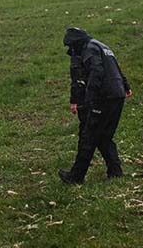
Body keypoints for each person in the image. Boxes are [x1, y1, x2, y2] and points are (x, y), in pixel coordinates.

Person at [60, 27, 132, 184]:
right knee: (104, 136)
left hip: (103, 97)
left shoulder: (88, 50)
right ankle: (115, 172)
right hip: (117, 95)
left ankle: (76, 177)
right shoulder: (102, 46)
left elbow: (96, 72)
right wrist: (125, 85)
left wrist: (88, 100)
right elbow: (115, 66)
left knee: (88, 136)